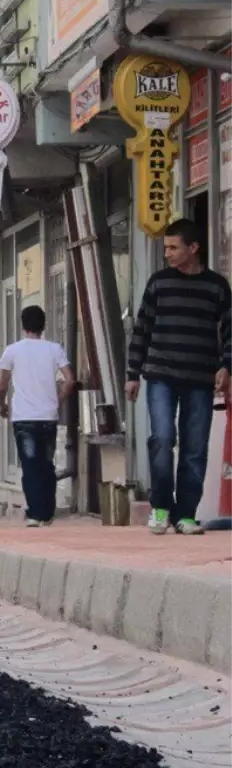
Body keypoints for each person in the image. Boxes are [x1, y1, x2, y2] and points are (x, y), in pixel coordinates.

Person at [126, 218, 232, 536]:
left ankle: (185, 513)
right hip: (160, 373)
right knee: (162, 439)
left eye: (173, 247)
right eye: (166, 247)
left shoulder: (217, 286)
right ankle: (160, 507)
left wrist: (226, 365)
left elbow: (230, 331)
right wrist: (132, 374)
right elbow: (141, 330)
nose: (167, 254)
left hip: (200, 377)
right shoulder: (159, 283)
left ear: (193, 248)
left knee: (194, 447)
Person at [0, 305, 76, 528]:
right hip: (48, 416)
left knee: (30, 465)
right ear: (44, 325)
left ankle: (36, 513)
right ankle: (47, 513)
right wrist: (58, 399)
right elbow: (70, 379)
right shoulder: (54, 349)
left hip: (23, 417)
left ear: (22, 325)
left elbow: (2, 384)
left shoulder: (12, 350)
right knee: (46, 463)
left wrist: (2, 404)